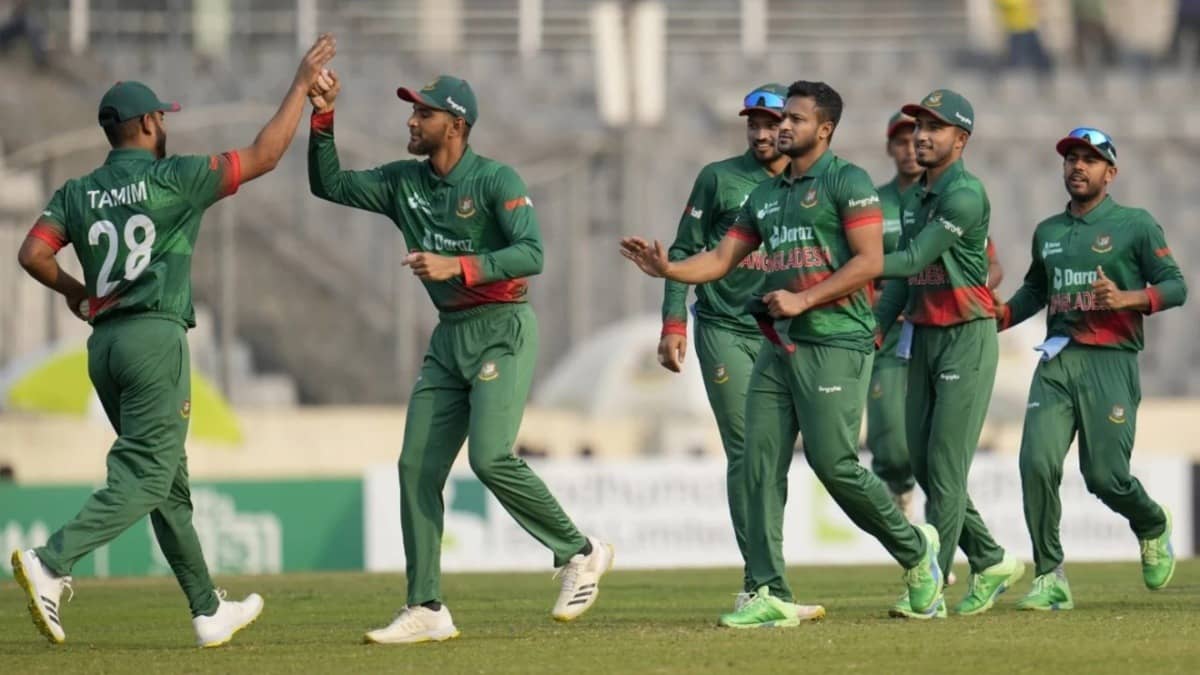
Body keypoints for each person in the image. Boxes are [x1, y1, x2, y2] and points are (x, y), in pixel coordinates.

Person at [12, 34, 338, 647]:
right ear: (147, 123)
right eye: (161, 116)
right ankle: (52, 562)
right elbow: (266, 155)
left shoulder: (77, 192)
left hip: (104, 349)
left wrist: (75, 292)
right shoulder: (176, 177)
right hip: (155, 339)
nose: (166, 124)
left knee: (167, 482)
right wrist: (299, 85)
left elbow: (32, 253)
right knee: (145, 475)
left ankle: (206, 609)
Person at [621, 80, 943, 627]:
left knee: (834, 464)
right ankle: (766, 590)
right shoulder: (765, 197)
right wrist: (670, 270)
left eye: (794, 118)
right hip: (779, 344)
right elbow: (722, 257)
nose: (781, 126)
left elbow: (868, 262)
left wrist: (804, 298)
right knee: (757, 461)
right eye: (780, 118)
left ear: (824, 129)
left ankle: (916, 552)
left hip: (836, 339)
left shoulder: (849, 181)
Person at [307, 71, 613, 644]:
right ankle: (426, 607)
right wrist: (322, 118)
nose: (411, 121)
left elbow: (532, 253)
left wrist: (458, 267)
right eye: (412, 112)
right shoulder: (403, 181)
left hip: (502, 330)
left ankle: (581, 551)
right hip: (450, 338)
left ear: (456, 124)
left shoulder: (497, 179)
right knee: (416, 469)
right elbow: (330, 186)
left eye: (422, 113)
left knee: (491, 456)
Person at [996, 127, 1184, 610]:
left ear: (1111, 172)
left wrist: (1127, 298)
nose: (1078, 166)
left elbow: (1176, 285)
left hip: (1111, 360)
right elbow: (1035, 291)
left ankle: (1150, 522)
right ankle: (1050, 576)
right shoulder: (1049, 232)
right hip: (1057, 359)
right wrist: (1000, 316)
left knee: (1104, 476)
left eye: (1090, 159)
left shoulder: (1135, 224)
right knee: (1035, 463)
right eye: (1071, 158)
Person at [874, 90, 1022, 619]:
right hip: (925, 337)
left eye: (934, 127)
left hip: (967, 336)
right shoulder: (915, 200)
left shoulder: (964, 195)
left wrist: (853, 271)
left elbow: (912, 257)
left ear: (961, 140)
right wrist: (871, 330)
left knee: (945, 469)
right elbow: (906, 280)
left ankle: (930, 587)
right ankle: (991, 558)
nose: (921, 135)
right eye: (917, 125)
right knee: (923, 463)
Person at [658, 84, 788, 608]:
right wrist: (672, 322)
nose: (760, 133)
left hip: (785, 335)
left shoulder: (814, 185)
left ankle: (769, 573)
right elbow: (684, 250)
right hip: (724, 327)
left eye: (770, 123)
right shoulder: (719, 178)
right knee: (746, 449)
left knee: (774, 457)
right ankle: (759, 582)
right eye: (752, 123)